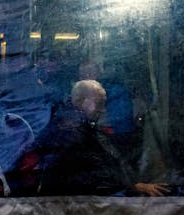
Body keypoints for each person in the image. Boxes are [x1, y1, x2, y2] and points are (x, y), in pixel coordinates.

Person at [37, 80, 168, 197]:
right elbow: (85, 176)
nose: (103, 110)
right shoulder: (69, 131)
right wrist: (130, 187)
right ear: (81, 101)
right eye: (99, 103)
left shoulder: (81, 126)